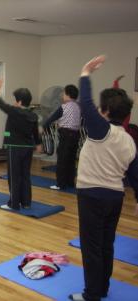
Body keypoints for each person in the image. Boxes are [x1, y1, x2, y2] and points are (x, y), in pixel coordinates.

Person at [69, 55, 138, 301]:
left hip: (92, 196)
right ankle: (102, 288)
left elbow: (85, 103)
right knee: (106, 245)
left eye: (101, 108)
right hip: (114, 197)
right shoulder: (129, 140)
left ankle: (91, 294)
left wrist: (86, 73)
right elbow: (135, 175)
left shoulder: (103, 131)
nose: (97, 111)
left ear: (106, 111)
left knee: (92, 247)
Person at [0, 81, 42, 210]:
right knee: (25, 175)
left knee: (14, 175)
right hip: (28, 149)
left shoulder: (14, 111)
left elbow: (0, 103)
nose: (14, 102)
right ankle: (26, 203)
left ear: (20, 102)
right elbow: (35, 132)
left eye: (15, 100)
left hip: (14, 148)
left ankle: (14, 204)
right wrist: (38, 144)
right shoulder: (33, 115)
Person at [43, 85, 81, 190]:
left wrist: (43, 127)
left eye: (64, 93)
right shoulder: (78, 106)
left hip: (66, 135)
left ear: (68, 95)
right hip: (76, 136)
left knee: (62, 161)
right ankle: (70, 182)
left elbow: (51, 119)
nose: (62, 96)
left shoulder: (63, 107)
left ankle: (60, 184)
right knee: (71, 161)